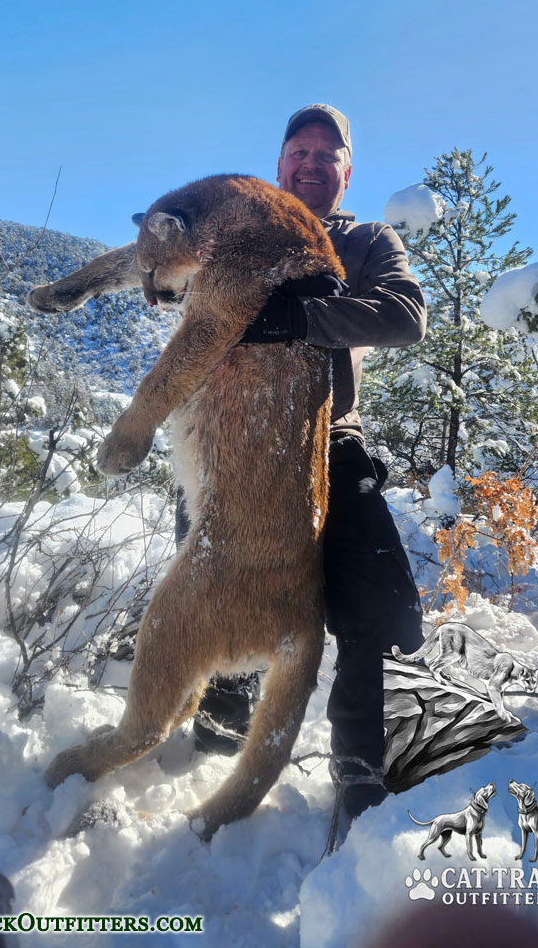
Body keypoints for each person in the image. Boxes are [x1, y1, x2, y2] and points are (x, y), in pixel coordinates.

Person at [190, 104, 426, 820]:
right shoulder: (240, 236)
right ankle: (222, 717)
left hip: (333, 441)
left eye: (330, 154)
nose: (313, 163)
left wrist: (301, 320)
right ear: (280, 163)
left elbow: (404, 315)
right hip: (239, 444)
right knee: (222, 593)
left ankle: (360, 767)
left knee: (383, 607)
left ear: (346, 173)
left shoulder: (367, 241)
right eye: (301, 150)